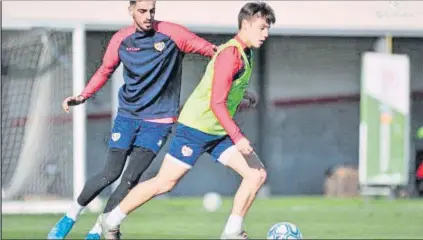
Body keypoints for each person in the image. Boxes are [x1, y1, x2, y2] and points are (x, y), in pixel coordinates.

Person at [100, 2, 276, 239]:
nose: (265, 34)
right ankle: (110, 220)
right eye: (261, 28)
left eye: (268, 29)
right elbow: (216, 102)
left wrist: (241, 92)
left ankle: (232, 231)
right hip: (195, 129)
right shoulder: (230, 54)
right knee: (164, 183)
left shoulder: (246, 52)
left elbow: (221, 86)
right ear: (245, 24)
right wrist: (238, 136)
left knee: (256, 175)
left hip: (216, 131)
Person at [46, 0, 218, 239]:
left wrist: (230, 80)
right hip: (127, 117)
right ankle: (69, 218)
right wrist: (83, 95)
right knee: (110, 173)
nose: (148, 16)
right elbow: (105, 70)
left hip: (158, 123)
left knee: (129, 180)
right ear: (131, 11)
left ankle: (97, 231)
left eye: (152, 11)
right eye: (142, 11)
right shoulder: (121, 39)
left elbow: (214, 52)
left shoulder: (173, 34)